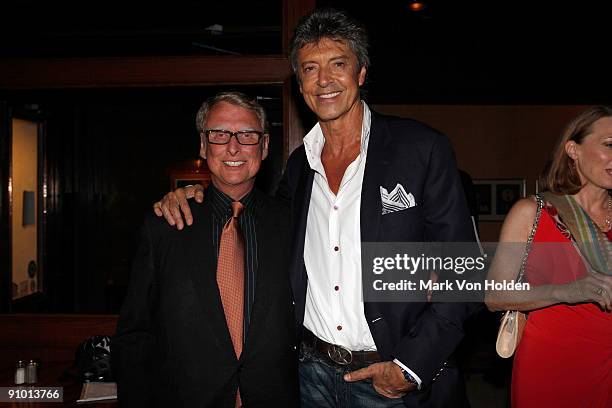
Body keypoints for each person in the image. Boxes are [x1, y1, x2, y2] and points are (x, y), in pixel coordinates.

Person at [154, 9, 478, 407]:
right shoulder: (299, 166)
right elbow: (258, 219)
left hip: (391, 380)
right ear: (300, 83)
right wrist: (196, 195)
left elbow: (463, 270)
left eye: (337, 64)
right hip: (309, 377)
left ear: (360, 73)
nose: (324, 80)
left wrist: (410, 367)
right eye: (310, 68)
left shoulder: (421, 150)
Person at [112, 92, 299, 408]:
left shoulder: (294, 224)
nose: (233, 146)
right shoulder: (165, 226)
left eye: (247, 135)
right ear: (203, 145)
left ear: (265, 146)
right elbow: (134, 336)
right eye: (219, 134)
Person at [485, 106, 612, 407]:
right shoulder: (532, 213)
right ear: (573, 150)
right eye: (609, 144)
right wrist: (568, 291)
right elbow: (494, 295)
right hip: (553, 364)